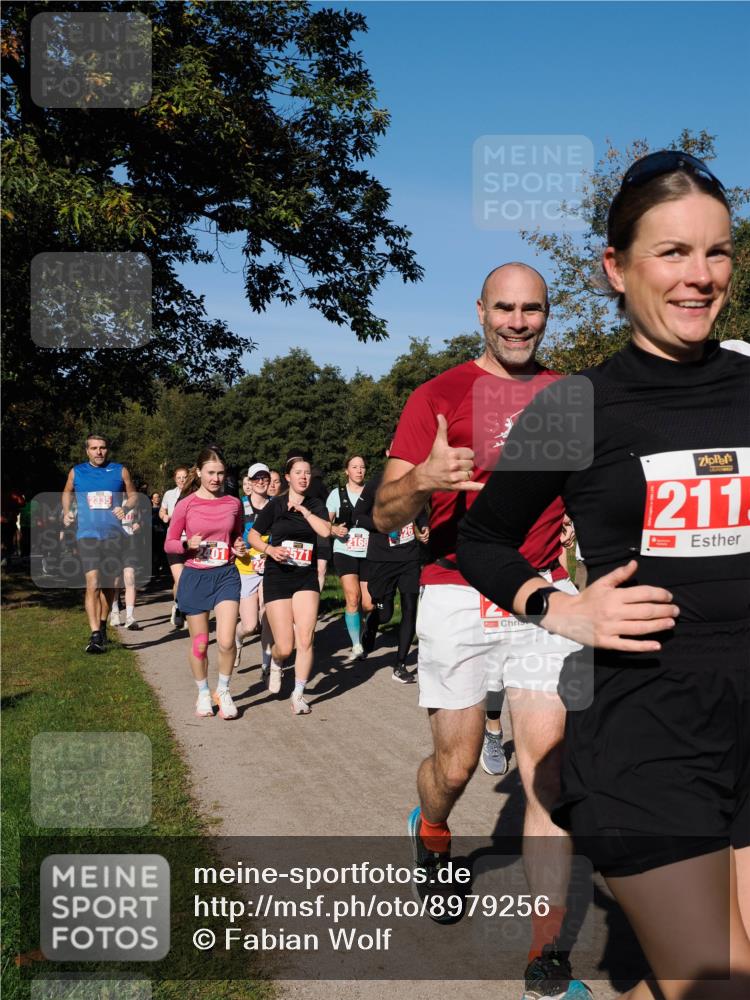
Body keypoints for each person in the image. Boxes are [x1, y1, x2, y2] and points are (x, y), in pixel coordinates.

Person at [458, 152, 750, 999]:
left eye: (719, 252)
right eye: (673, 253)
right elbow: (481, 538)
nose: (701, 277)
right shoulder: (575, 406)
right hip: (650, 730)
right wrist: (555, 607)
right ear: (615, 269)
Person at [374, 263, 589, 1000]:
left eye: (532, 309)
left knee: (546, 768)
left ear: (546, 314)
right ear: (481, 312)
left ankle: (545, 952)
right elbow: (382, 515)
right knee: (458, 767)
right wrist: (423, 481)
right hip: (454, 590)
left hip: (538, 594)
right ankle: (432, 832)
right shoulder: (436, 395)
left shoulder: (570, 399)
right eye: (505, 308)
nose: (519, 322)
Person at [164, 447, 245, 720]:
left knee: (225, 641)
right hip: (196, 576)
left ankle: (223, 691)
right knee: (200, 643)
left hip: (226, 575)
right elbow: (170, 542)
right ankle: (202, 692)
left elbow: (236, 536)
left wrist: (239, 545)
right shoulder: (186, 504)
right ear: (198, 472)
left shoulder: (234, 503)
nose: (216, 478)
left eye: (221, 473)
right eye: (211, 473)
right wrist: (187, 543)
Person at [247, 457, 331, 715]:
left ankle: (298, 694)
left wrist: (305, 511)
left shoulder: (317, 505)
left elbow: (325, 532)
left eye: (307, 473)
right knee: (285, 646)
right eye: (298, 473)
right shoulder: (275, 505)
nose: (303, 477)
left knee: (306, 637)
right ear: (287, 477)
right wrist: (270, 549)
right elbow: (252, 535)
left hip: (305, 578)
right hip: (278, 575)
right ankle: (276, 661)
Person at [355, 439, 428, 683]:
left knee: (410, 607)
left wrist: (424, 525)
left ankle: (400, 665)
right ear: (388, 453)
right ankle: (371, 626)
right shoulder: (377, 481)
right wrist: (380, 524)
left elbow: (421, 510)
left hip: (408, 555)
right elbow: (358, 517)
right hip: (382, 557)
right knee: (384, 614)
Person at [62, 434, 137, 653]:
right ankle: (95, 634)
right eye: (94, 448)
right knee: (92, 582)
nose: (99, 452)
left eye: (102, 448)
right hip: (87, 535)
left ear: (107, 449)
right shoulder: (77, 472)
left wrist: (126, 507)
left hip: (113, 536)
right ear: (87, 451)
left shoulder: (119, 470)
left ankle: (103, 625)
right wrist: (67, 513)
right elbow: (67, 492)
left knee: (110, 585)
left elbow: (132, 495)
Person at [327, 455, 373, 662]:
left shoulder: (373, 493)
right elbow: (326, 526)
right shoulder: (336, 494)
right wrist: (334, 529)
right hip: (344, 550)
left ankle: (362, 630)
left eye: (362, 467)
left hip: (369, 550)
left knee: (369, 604)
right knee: (353, 597)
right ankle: (356, 645)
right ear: (347, 470)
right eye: (355, 467)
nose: (359, 470)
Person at [234, 463, 274, 676]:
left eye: (264, 477)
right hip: (246, 568)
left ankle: (266, 665)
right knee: (249, 625)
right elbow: (230, 534)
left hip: (270, 569)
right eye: (256, 478)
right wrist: (237, 547)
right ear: (249, 482)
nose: (261, 481)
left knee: (267, 616)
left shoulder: (276, 505)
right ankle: (238, 639)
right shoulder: (239, 506)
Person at [160, 467, 189, 628]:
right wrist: (164, 515)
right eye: (179, 477)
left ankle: (181, 607)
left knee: (187, 578)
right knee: (180, 579)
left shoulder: (194, 494)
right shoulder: (169, 494)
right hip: (175, 540)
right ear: (174, 479)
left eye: (184, 477)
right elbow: (162, 510)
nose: (182, 480)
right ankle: (179, 607)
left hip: (191, 541)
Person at [307, 465, 332, 591]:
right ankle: (316, 602)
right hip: (322, 531)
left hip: (307, 529)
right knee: (321, 569)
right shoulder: (324, 489)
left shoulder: (304, 489)